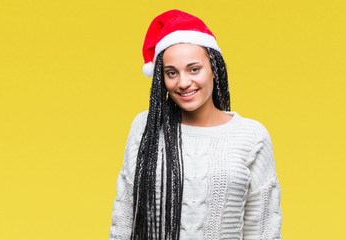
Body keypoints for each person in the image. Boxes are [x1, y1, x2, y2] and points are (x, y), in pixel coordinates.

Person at [109, 9, 282, 240]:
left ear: (214, 69)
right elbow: (123, 219)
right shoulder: (145, 127)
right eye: (171, 73)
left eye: (194, 69)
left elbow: (264, 230)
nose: (183, 82)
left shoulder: (251, 136)